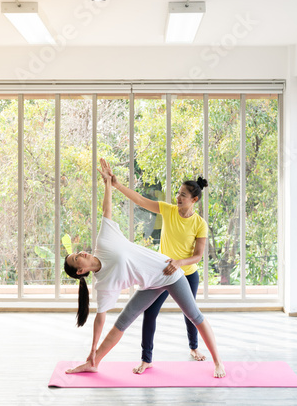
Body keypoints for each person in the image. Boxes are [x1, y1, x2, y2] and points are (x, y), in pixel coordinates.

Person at [64, 159, 225, 378]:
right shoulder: (101, 284)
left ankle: (217, 362)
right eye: (77, 258)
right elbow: (100, 317)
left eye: (77, 252)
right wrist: (91, 349)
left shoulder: (103, 241)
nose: (81, 253)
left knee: (194, 315)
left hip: (169, 273)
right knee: (123, 320)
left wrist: (110, 184)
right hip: (150, 282)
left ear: (194, 200)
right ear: (81, 272)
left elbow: (106, 209)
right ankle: (94, 362)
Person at [106, 162, 208, 374]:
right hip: (162, 273)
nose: (178, 198)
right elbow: (141, 200)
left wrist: (179, 263)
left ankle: (194, 347)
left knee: (191, 314)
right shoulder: (169, 211)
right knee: (150, 312)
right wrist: (116, 185)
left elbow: (197, 256)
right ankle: (146, 359)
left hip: (186, 274)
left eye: (183, 195)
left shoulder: (199, 224)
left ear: (194, 200)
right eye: (178, 193)